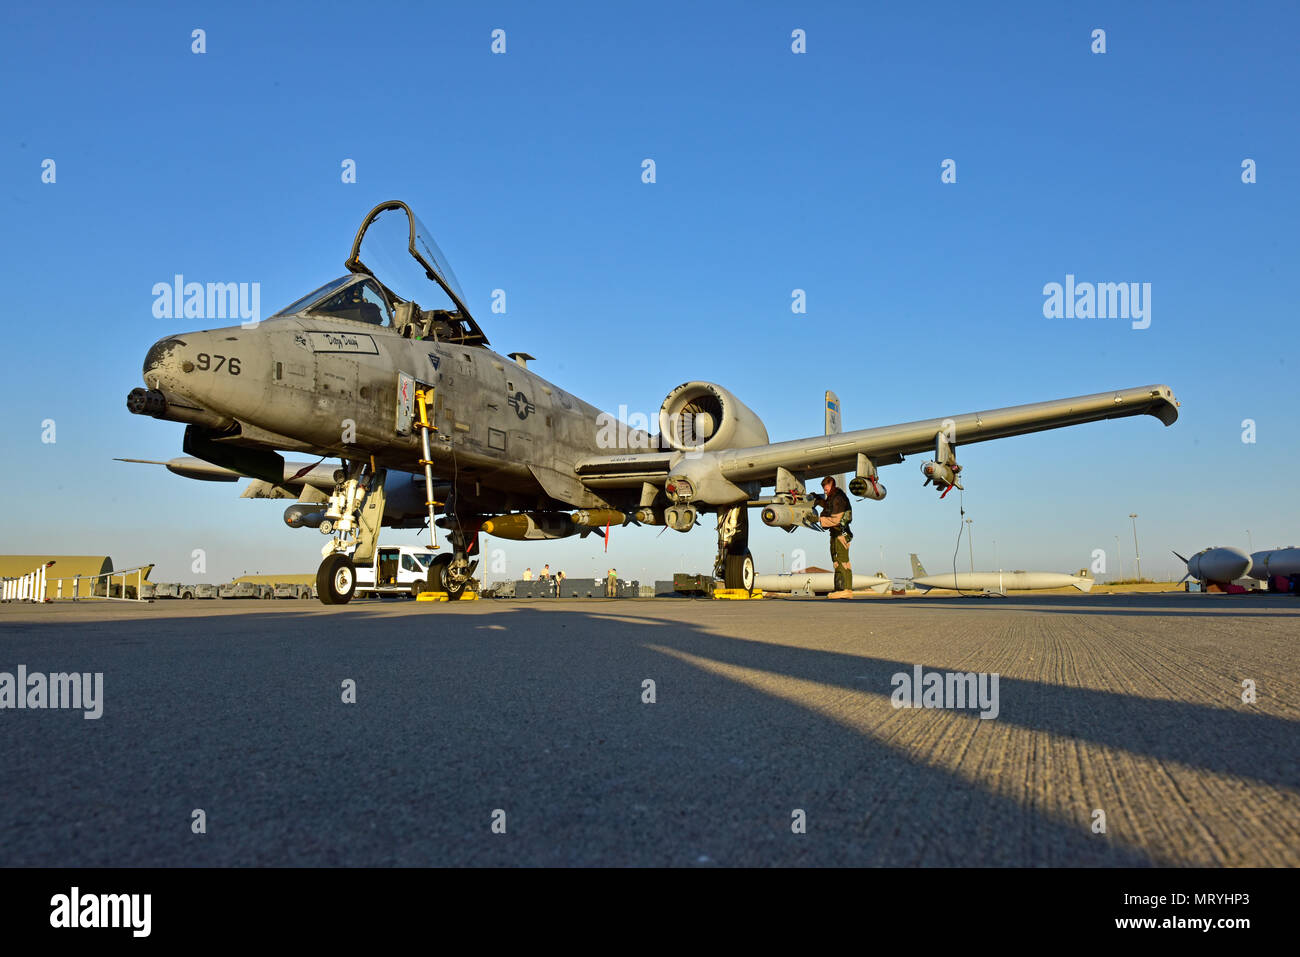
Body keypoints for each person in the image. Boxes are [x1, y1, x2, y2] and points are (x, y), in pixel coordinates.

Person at [814, 476, 854, 599]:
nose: (825, 490)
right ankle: (841, 589)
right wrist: (817, 499)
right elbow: (828, 506)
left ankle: (845, 589)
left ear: (832, 485)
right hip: (835, 533)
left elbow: (836, 519)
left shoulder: (838, 498)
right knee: (837, 562)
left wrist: (818, 519)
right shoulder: (833, 497)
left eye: (826, 488)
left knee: (842, 561)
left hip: (841, 534)